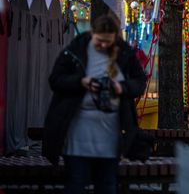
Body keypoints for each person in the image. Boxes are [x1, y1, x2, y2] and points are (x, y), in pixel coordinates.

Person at [44, 14, 147, 194]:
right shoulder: (76, 49)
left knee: (107, 185)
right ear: (92, 33)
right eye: (99, 41)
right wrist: (81, 82)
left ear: (115, 37)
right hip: (78, 135)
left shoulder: (125, 53)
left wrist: (121, 88)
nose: (104, 45)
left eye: (108, 41)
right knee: (76, 183)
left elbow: (139, 82)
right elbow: (55, 80)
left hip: (110, 136)